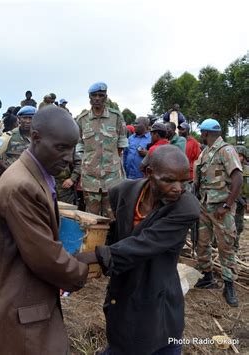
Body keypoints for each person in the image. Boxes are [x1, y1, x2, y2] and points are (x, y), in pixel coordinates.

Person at [0, 106, 94, 354]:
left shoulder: (36, 174)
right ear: (36, 138)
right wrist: (84, 270)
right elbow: (44, 258)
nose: (68, 157)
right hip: (12, 304)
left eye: (72, 148)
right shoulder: (22, 185)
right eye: (61, 148)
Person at [90, 145, 200, 355]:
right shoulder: (123, 191)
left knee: (156, 339)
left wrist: (91, 257)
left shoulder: (186, 207)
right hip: (122, 288)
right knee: (121, 336)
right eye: (168, 180)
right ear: (149, 173)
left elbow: (143, 244)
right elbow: (117, 233)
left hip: (157, 291)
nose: (178, 188)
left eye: (183, 181)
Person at [194, 118, 242, 307]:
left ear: (205, 133)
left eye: (202, 133)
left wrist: (227, 205)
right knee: (202, 242)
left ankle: (229, 285)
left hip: (222, 208)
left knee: (225, 245)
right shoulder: (206, 152)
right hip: (205, 206)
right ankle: (207, 276)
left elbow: (237, 180)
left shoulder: (226, 151)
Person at [76, 82, 128, 219]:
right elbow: (79, 146)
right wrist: (87, 162)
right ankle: (94, 241)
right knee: (91, 218)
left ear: (106, 97)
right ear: (89, 98)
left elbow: (122, 143)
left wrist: (112, 161)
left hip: (112, 178)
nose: (97, 98)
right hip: (90, 178)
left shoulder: (116, 117)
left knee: (112, 216)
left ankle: (112, 241)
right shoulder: (82, 120)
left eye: (101, 95)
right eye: (94, 95)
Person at [0, 105, 35, 176]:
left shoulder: (39, 137)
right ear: (19, 119)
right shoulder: (9, 136)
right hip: (13, 179)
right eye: (24, 118)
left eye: (30, 118)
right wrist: (8, 169)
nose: (27, 121)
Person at [234, 145, 248, 251]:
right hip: (230, 201)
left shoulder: (247, 170)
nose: (238, 158)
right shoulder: (229, 168)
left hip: (242, 201)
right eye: (236, 155)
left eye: (240, 156)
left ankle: (235, 245)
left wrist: (246, 202)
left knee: (239, 225)